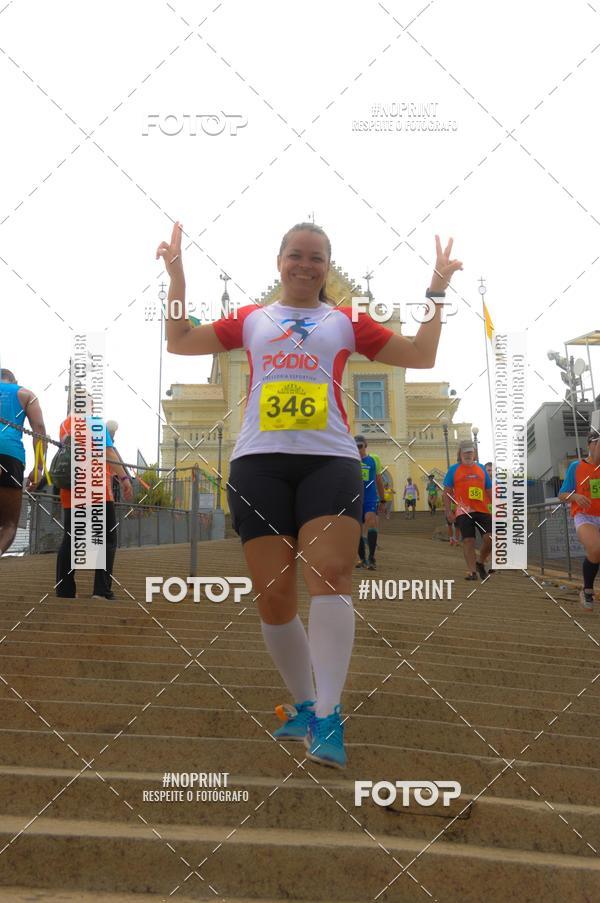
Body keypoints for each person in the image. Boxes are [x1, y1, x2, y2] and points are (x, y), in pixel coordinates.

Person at [158, 220, 462, 768]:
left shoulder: (344, 321)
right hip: (257, 464)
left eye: (317, 257)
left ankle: (328, 713)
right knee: (273, 596)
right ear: (279, 261)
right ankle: (302, 702)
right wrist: (177, 277)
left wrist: (436, 291)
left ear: (327, 266)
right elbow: (179, 341)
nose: (306, 264)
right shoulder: (252, 319)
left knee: (331, 574)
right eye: (296, 255)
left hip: (330, 460)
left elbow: (421, 355)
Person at [56, 411, 133, 599]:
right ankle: (101, 590)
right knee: (106, 540)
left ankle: (65, 591)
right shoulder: (95, 423)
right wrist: (124, 478)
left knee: (71, 540)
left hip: (71, 491)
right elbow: (108, 452)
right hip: (97, 491)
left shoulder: (65, 423)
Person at [0, 369, 46, 556]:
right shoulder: (26, 394)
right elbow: (39, 429)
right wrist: (39, 467)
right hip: (10, 455)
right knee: (9, 524)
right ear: (14, 380)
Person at [558, 432, 600, 611]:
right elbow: (562, 494)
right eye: (597, 443)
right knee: (596, 548)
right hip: (585, 516)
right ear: (589, 445)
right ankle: (587, 590)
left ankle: (589, 590)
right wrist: (575, 496)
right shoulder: (577, 466)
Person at [443, 440, 492, 579]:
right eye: (465, 452)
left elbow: (489, 490)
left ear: (474, 453)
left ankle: (480, 562)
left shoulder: (482, 468)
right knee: (468, 540)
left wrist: (497, 508)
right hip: (463, 511)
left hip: (483, 510)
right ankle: (472, 571)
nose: (468, 455)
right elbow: (446, 492)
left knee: (491, 539)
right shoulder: (453, 469)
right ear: (460, 454)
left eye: (470, 452)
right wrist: (448, 511)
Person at [354, 435, 385, 570]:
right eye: (355, 446)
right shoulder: (350, 460)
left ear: (365, 446)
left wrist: (383, 499)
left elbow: (379, 480)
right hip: (354, 498)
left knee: (370, 520)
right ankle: (362, 559)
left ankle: (371, 557)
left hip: (370, 497)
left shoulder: (373, 460)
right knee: (356, 529)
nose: (358, 449)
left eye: (360, 446)